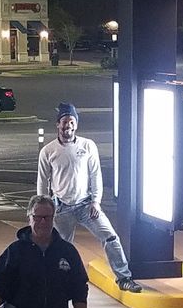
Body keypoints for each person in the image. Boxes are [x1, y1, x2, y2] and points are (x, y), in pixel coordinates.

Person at [37, 102, 142, 293]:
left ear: (76, 124)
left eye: (71, 122)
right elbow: (42, 181)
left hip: (86, 205)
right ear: (57, 125)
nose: (68, 126)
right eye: (64, 122)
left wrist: (96, 201)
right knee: (59, 248)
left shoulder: (88, 146)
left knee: (110, 237)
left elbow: (95, 175)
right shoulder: (48, 151)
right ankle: (55, 283)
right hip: (61, 208)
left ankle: (124, 278)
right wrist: (44, 208)